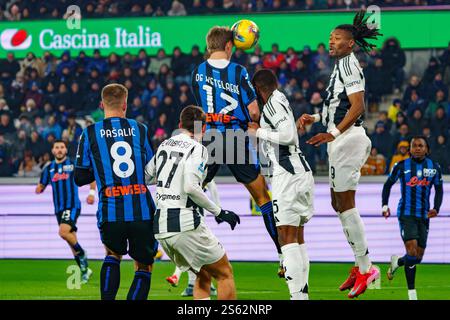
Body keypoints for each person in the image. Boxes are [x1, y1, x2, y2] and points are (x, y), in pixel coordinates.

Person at [297, 10, 381, 298]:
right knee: (338, 202)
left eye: (337, 38)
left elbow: (357, 107)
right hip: (341, 139)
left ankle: (367, 266)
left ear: (350, 43)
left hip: (348, 139)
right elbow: (340, 106)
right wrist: (315, 117)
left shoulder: (349, 65)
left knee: (345, 204)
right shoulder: (341, 66)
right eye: (330, 38)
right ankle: (360, 265)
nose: (330, 42)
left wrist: (332, 133)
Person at [191, 26, 283, 276]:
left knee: (191, 194)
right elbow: (254, 111)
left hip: (208, 137)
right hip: (235, 137)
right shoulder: (239, 72)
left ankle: (192, 260)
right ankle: (283, 255)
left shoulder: (197, 72)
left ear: (209, 46)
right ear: (230, 46)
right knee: (263, 197)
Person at [145, 105, 240, 300]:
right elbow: (190, 187)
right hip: (184, 223)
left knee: (203, 274)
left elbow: (146, 176)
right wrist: (219, 211)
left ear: (180, 125)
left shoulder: (165, 144)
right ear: (203, 128)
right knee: (224, 273)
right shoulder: (198, 148)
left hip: (161, 226)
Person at [74, 84, 158, 300]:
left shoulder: (89, 133)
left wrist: (103, 170)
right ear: (125, 104)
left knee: (112, 255)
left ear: (101, 105)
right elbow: (151, 169)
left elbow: (80, 178)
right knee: (144, 266)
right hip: (142, 211)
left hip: (111, 210)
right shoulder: (140, 129)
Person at [248, 69, 314, 300]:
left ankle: (297, 297)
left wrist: (260, 131)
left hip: (288, 175)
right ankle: (302, 295)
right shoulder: (280, 99)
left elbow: (288, 137)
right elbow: (288, 133)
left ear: (258, 89)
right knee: (297, 238)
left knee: (285, 237)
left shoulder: (273, 103)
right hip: (298, 171)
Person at [382, 136, 444, 300]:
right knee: (412, 251)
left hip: (424, 216)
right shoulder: (402, 166)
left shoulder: (433, 167)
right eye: (414, 146)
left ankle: (398, 262)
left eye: (420, 145)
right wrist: (384, 205)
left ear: (427, 149)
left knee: (417, 257)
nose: (417, 148)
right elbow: (388, 184)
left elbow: (439, 189)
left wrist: (436, 208)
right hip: (406, 214)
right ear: (409, 149)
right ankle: (412, 294)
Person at [36, 140, 95, 283]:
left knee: (63, 232)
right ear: (53, 151)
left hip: (72, 205)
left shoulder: (73, 164)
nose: (60, 149)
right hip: (58, 209)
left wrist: (92, 193)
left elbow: (90, 177)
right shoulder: (48, 168)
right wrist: (39, 188)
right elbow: (41, 186)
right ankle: (85, 270)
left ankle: (82, 253)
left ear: (66, 150)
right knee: (70, 239)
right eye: (57, 147)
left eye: (62, 147)